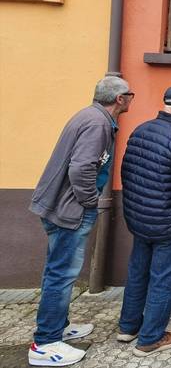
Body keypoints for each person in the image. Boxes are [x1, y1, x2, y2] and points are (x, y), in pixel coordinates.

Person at [27, 76, 133, 366]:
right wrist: (89, 201)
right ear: (119, 99)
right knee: (61, 275)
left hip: (58, 204)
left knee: (57, 271)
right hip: (68, 209)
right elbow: (82, 167)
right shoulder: (98, 123)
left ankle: (57, 327)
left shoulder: (90, 116)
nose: (131, 100)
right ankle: (45, 343)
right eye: (130, 95)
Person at [117, 85, 171, 356]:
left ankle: (128, 326)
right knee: (164, 281)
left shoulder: (142, 129)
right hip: (170, 224)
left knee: (138, 274)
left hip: (141, 219)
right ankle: (151, 338)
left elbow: (127, 171)